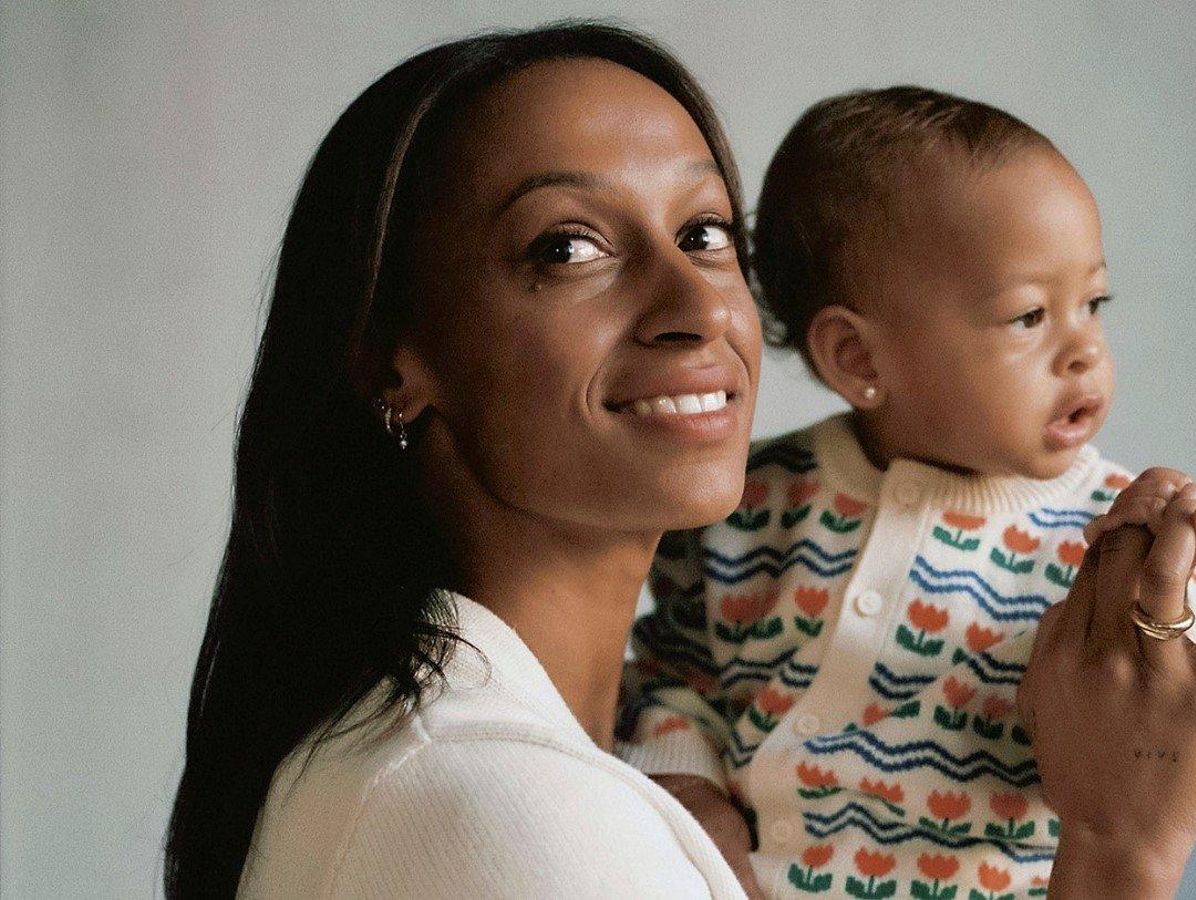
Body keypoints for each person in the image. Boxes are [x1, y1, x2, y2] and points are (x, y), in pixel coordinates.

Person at [164, 23, 764, 897]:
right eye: (567, 247)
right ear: (390, 363)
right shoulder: (503, 803)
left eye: (705, 232)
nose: (698, 307)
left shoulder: (441, 754)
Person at [620, 87, 1196, 897]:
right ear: (858, 360)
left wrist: (1157, 606)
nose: (1084, 350)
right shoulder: (750, 504)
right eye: (1028, 317)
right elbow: (675, 674)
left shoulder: (1120, 548)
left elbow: (1188, 761)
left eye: (1092, 303)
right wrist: (692, 790)